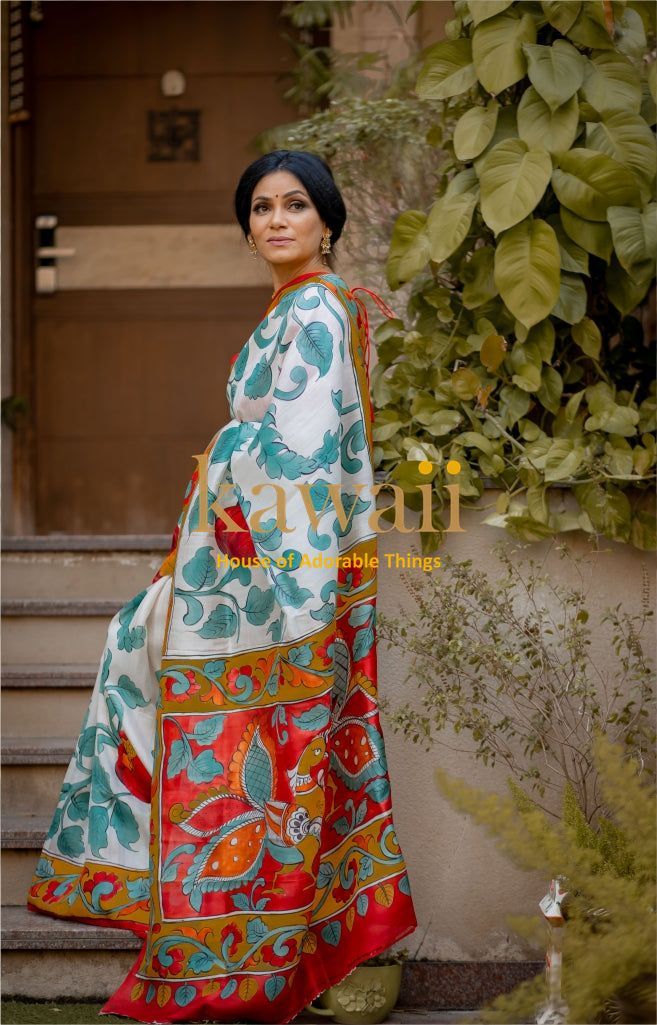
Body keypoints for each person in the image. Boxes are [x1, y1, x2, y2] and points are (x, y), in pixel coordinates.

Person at [27, 149, 418, 1024]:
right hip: (255, 564)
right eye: (260, 208)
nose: (275, 220)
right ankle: (262, 931)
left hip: (279, 578)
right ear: (247, 228)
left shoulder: (315, 308)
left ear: (327, 220)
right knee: (167, 672)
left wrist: (231, 467)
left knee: (168, 676)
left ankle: (262, 944)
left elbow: (303, 454)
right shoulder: (302, 308)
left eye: (294, 205)